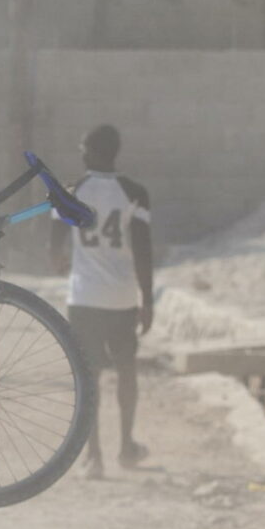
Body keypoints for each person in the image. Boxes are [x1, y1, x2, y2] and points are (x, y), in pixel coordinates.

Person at [62, 125, 154, 476]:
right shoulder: (135, 193)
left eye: (84, 148)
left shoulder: (72, 191)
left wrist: (65, 256)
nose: (81, 153)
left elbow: (54, 251)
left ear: (95, 152)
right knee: (126, 371)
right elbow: (144, 250)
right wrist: (148, 301)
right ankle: (126, 448)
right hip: (122, 297)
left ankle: (93, 457)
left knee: (89, 377)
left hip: (84, 297)